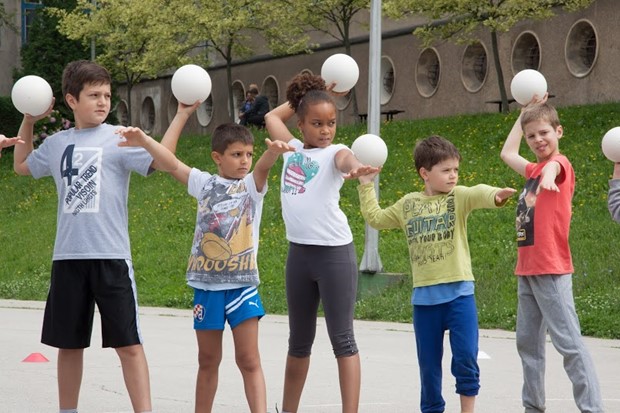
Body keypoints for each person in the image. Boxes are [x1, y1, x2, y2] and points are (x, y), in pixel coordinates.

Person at [12, 60, 179, 413]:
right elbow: (22, 165)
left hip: (111, 257)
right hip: (68, 258)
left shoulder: (120, 139)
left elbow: (164, 163)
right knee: (69, 345)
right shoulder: (57, 143)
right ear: (71, 100)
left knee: (129, 344)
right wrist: (28, 119)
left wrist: (175, 118)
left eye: (106, 95)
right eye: (93, 95)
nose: (102, 102)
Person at [356, 135, 515, 413]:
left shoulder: (459, 197)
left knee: (466, 357)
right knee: (429, 367)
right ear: (425, 173)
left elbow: (479, 192)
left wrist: (496, 195)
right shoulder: (408, 205)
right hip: (425, 302)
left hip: (460, 297)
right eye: (446, 170)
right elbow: (376, 219)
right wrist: (366, 185)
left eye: (455, 169)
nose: (453, 175)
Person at [160, 102, 295, 413]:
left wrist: (271, 153)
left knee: (248, 360)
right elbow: (167, 161)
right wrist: (148, 137)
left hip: (242, 286)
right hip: (206, 289)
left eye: (247, 154)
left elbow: (262, 169)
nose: (244, 161)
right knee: (208, 361)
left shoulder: (251, 187)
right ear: (217, 158)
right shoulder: (204, 183)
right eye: (236, 155)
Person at [264, 72, 377, 413]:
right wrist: (313, 93)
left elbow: (347, 160)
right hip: (299, 255)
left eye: (331, 123)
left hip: (334, 256)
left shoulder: (337, 152)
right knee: (298, 342)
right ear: (300, 125)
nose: (326, 130)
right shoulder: (291, 149)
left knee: (342, 339)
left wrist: (357, 168)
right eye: (317, 123)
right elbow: (271, 117)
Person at [500, 96, 604, 413]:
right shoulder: (533, 170)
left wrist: (548, 173)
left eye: (543, 132)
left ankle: (592, 409)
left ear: (558, 131)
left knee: (569, 344)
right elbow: (507, 153)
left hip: (551, 269)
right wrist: (522, 117)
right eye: (531, 136)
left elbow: (558, 166)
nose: (537, 140)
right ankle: (533, 407)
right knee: (527, 345)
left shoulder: (560, 166)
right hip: (527, 271)